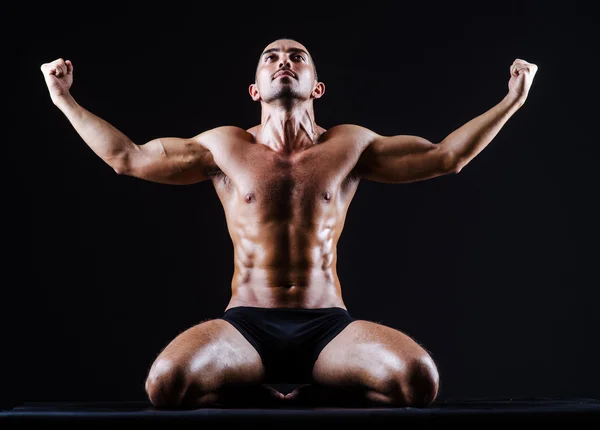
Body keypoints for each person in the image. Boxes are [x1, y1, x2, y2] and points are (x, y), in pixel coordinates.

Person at [40, 38, 538, 409]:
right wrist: (63, 97)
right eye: (272, 57)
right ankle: (258, 385)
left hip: (327, 326)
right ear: (255, 88)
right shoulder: (223, 147)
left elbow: (446, 156)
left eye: (296, 57)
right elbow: (127, 157)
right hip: (247, 325)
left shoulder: (352, 145)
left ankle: (321, 383)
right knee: (166, 384)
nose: (284, 61)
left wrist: (512, 100)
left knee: (418, 380)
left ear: (316, 86)